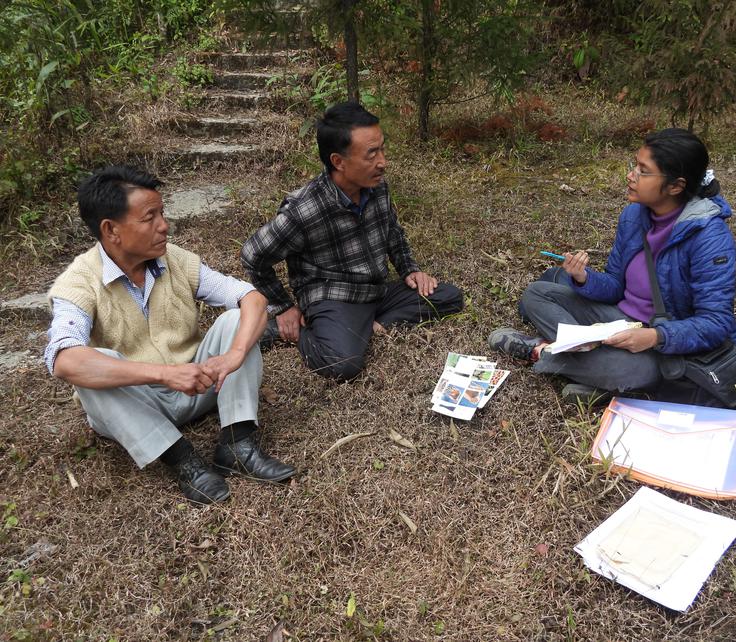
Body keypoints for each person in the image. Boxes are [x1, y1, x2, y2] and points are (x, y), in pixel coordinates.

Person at [45, 165, 295, 505]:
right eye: (150, 218)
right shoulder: (78, 282)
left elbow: (251, 297)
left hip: (197, 385)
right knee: (89, 367)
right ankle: (183, 461)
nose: (164, 225)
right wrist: (163, 374)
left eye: (162, 213)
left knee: (237, 318)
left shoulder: (174, 260)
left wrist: (234, 355)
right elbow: (63, 360)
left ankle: (238, 444)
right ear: (111, 230)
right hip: (135, 403)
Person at [488, 128, 736, 401]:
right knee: (537, 293)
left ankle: (543, 351)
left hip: (663, 344)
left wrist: (654, 337)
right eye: (634, 166)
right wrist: (584, 279)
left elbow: (715, 322)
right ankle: (594, 370)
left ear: (676, 186)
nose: (631, 176)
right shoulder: (634, 215)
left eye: (643, 171)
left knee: (634, 371)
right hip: (618, 321)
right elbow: (616, 285)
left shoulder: (709, 237)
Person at [241, 102, 464, 381]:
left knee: (449, 297)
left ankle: (368, 326)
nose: (383, 161)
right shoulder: (304, 209)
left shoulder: (376, 185)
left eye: (382, 149)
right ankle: (297, 330)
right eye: (372, 154)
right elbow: (253, 255)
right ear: (338, 161)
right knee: (342, 364)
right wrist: (284, 307)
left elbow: (392, 231)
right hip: (334, 297)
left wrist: (410, 270)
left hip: (376, 291)